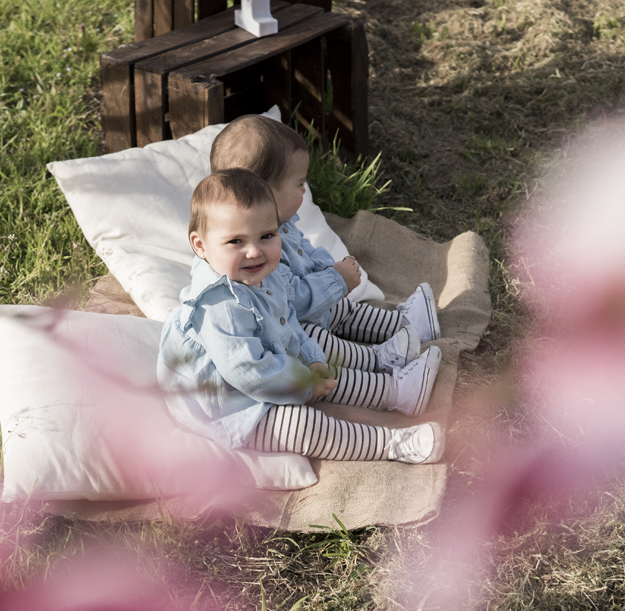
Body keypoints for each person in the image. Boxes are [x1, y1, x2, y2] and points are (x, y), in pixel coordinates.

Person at [157, 170, 443, 464]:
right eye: (236, 242)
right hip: (227, 408)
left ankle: (395, 391)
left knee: (326, 372)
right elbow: (247, 371)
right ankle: (391, 444)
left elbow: (289, 323)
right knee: (300, 424)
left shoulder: (265, 275)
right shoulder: (217, 306)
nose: (254, 251)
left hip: (267, 371)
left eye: (267, 236)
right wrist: (302, 383)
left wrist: (310, 358)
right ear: (201, 246)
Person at [209, 114, 442, 380]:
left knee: (344, 308)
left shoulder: (283, 224)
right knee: (318, 339)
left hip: (315, 306)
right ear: (265, 192)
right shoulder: (256, 254)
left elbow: (306, 252)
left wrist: (330, 270)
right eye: (299, 184)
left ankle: (406, 324)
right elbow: (290, 300)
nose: (304, 191)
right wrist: (336, 281)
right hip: (292, 326)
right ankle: (377, 360)